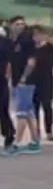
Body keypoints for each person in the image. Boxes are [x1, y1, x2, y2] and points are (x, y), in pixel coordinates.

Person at [0, 20, 13, 150]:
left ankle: (8, 133)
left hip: (2, 79)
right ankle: (8, 132)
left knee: (2, 108)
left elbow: (10, 61)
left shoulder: (5, 42)